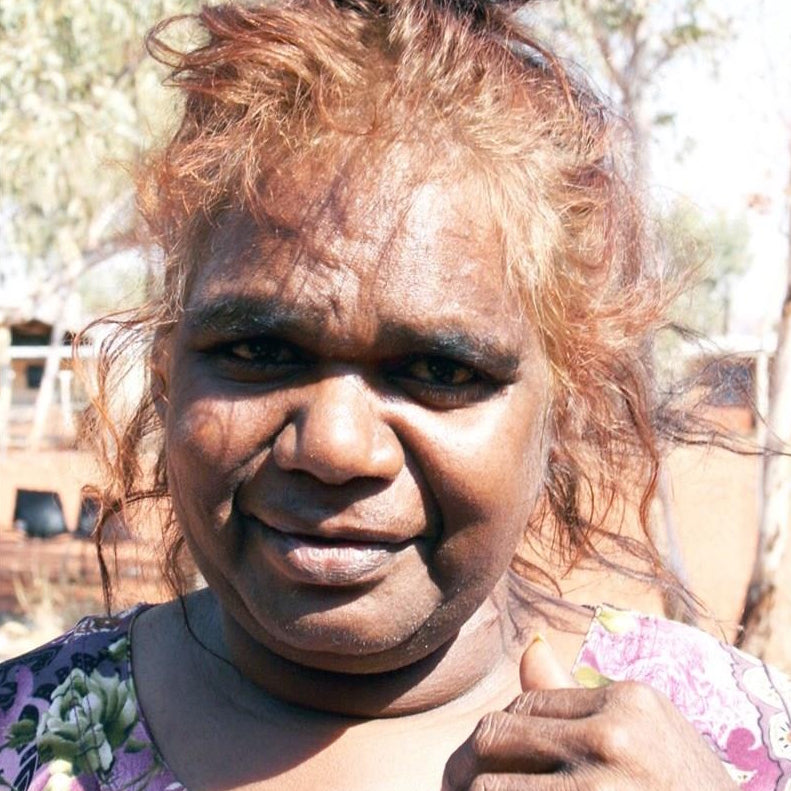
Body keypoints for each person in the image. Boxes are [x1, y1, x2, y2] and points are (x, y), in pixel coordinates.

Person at [0, 0, 788, 789]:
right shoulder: (27, 738)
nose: (335, 446)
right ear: (167, 380)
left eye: (440, 370)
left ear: (565, 412)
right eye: (258, 351)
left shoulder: (728, 739)